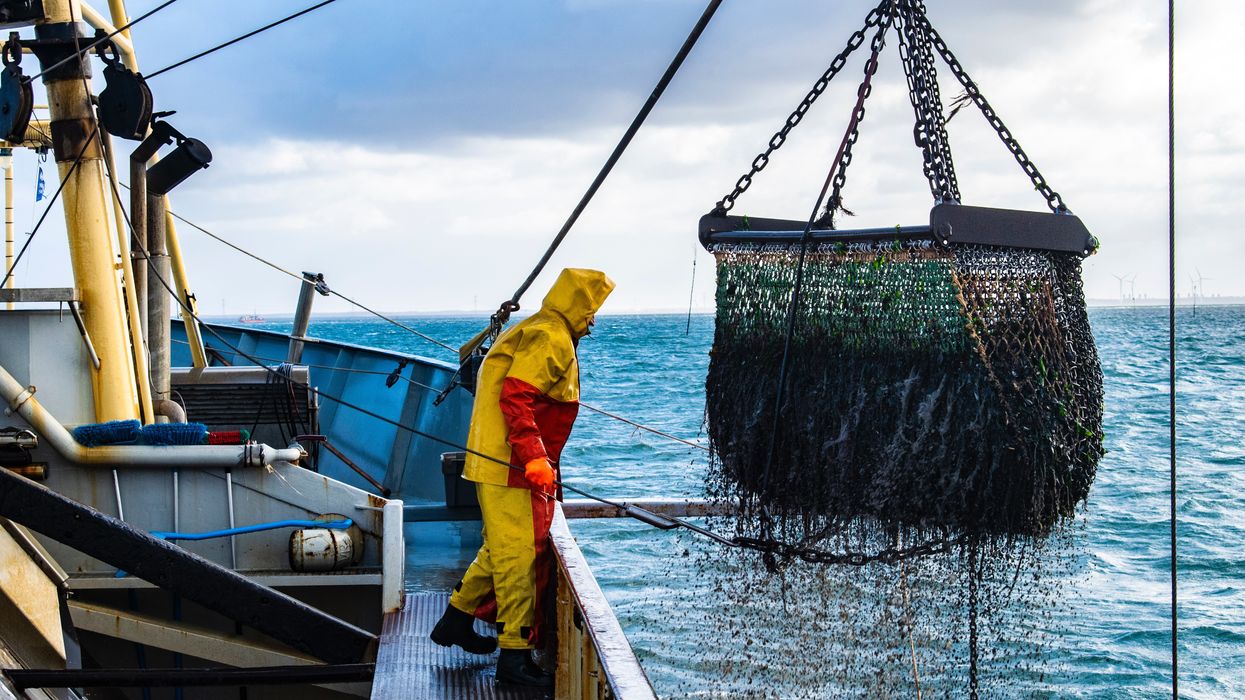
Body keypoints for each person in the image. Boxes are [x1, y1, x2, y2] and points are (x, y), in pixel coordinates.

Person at [430, 268, 615, 687]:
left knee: (501, 547)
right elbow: (516, 397)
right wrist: (533, 457)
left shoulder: (535, 327)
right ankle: (514, 658)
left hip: (495, 461)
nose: (592, 321)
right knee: (520, 557)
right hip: (511, 466)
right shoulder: (551, 337)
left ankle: (456, 619)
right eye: (590, 310)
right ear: (576, 305)